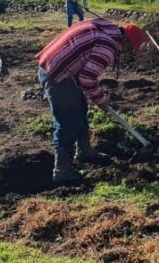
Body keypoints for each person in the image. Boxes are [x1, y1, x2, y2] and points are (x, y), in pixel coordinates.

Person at [36, 18, 149, 183]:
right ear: (124, 41)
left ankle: (84, 151)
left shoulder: (106, 26)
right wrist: (101, 100)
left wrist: (95, 97)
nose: (127, 53)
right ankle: (62, 170)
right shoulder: (107, 48)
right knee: (68, 121)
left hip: (56, 63)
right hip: (57, 74)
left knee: (81, 108)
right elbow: (87, 79)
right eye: (130, 49)